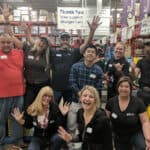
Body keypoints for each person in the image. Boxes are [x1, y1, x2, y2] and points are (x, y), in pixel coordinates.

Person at [50, 16, 101, 104]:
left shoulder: (74, 52)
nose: (65, 41)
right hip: (56, 88)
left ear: (70, 41)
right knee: (54, 109)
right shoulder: (53, 52)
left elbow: (86, 44)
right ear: (59, 41)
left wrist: (92, 31)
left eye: (67, 39)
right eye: (63, 39)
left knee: (68, 111)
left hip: (70, 89)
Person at [12, 86, 70, 150]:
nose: (47, 98)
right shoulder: (33, 108)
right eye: (45, 95)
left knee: (58, 138)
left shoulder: (54, 107)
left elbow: (60, 125)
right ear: (40, 96)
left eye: (49, 96)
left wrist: (63, 115)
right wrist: (21, 121)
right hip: (38, 138)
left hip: (52, 136)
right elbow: (29, 125)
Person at [58, 85, 113, 150]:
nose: (87, 99)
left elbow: (108, 145)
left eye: (91, 97)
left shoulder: (103, 120)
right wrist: (71, 138)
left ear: (95, 100)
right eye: (84, 95)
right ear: (80, 98)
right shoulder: (80, 113)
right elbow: (82, 136)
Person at [68, 44, 103, 141]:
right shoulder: (75, 67)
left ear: (96, 55)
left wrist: (90, 98)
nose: (90, 53)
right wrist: (79, 93)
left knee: (90, 125)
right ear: (84, 53)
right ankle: (72, 144)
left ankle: (87, 143)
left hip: (91, 104)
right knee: (72, 124)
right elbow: (72, 82)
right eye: (88, 51)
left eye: (93, 52)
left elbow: (98, 87)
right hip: (76, 101)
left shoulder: (98, 70)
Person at [105, 76, 150, 150]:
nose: (123, 89)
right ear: (117, 87)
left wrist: (148, 138)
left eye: (126, 86)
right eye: (121, 86)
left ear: (130, 88)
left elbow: (145, 122)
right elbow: (106, 121)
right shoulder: (111, 102)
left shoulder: (138, 102)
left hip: (135, 132)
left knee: (143, 147)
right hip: (119, 133)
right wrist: (109, 138)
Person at [0, 33, 25, 148]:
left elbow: (26, 45)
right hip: (2, 95)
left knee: (17, 119)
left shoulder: (19, 53)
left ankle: (17, 141)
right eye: (3, 42)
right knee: (1, 121)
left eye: (8, 42)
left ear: (13, 43)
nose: (6, 44)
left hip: (18, 93)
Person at [132, 41, 150, 107]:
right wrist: (133, 69)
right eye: (146, 49)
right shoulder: (141, 61)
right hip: (143, 92)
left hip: (143, 92)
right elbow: (134, 76)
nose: (147, 51)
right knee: (141, 114)